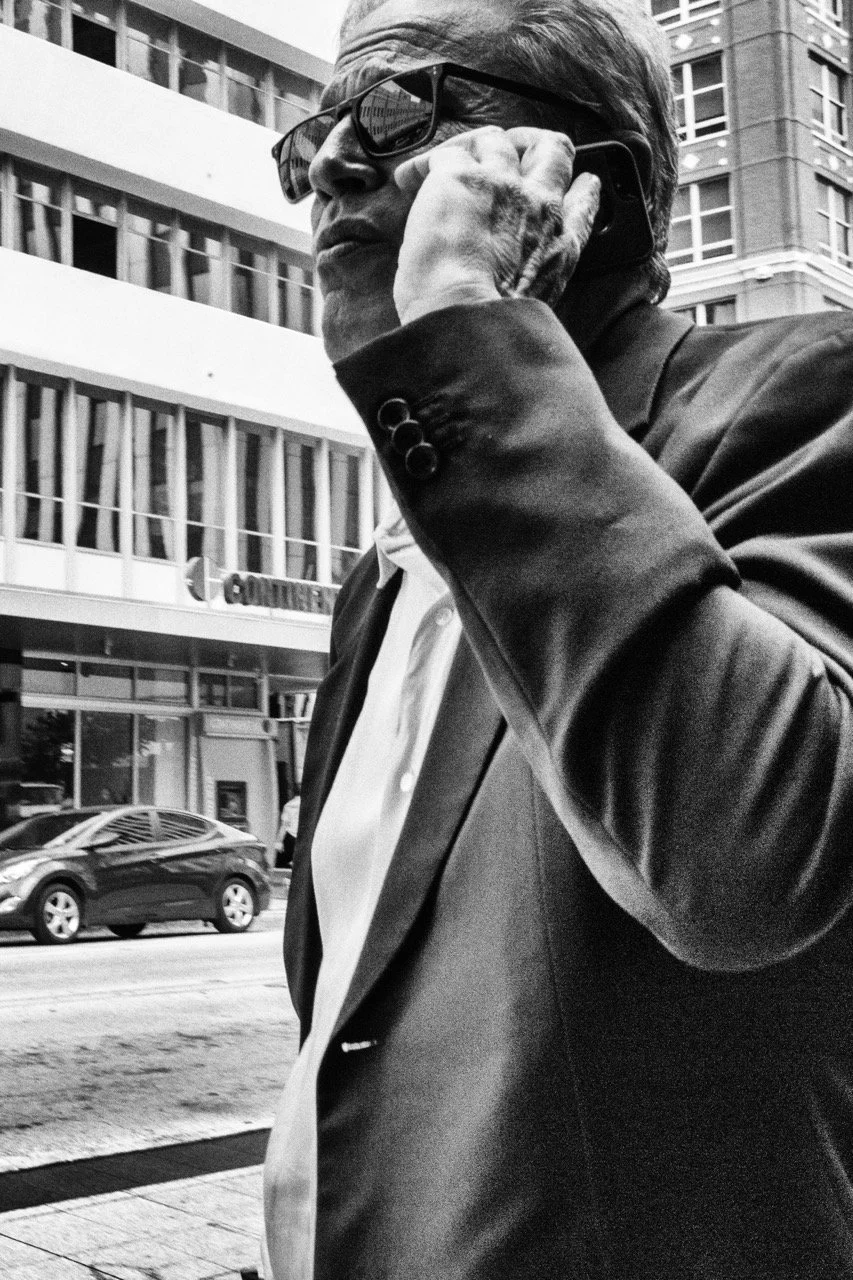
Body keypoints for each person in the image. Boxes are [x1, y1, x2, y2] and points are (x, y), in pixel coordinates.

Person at [261, 1, 853, 1277]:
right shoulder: (382, 572)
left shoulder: (807, 396)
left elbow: (739, 862)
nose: (330, 163)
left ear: (596, 190)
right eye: (313, 128)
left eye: (401, 107)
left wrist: (470, 331)